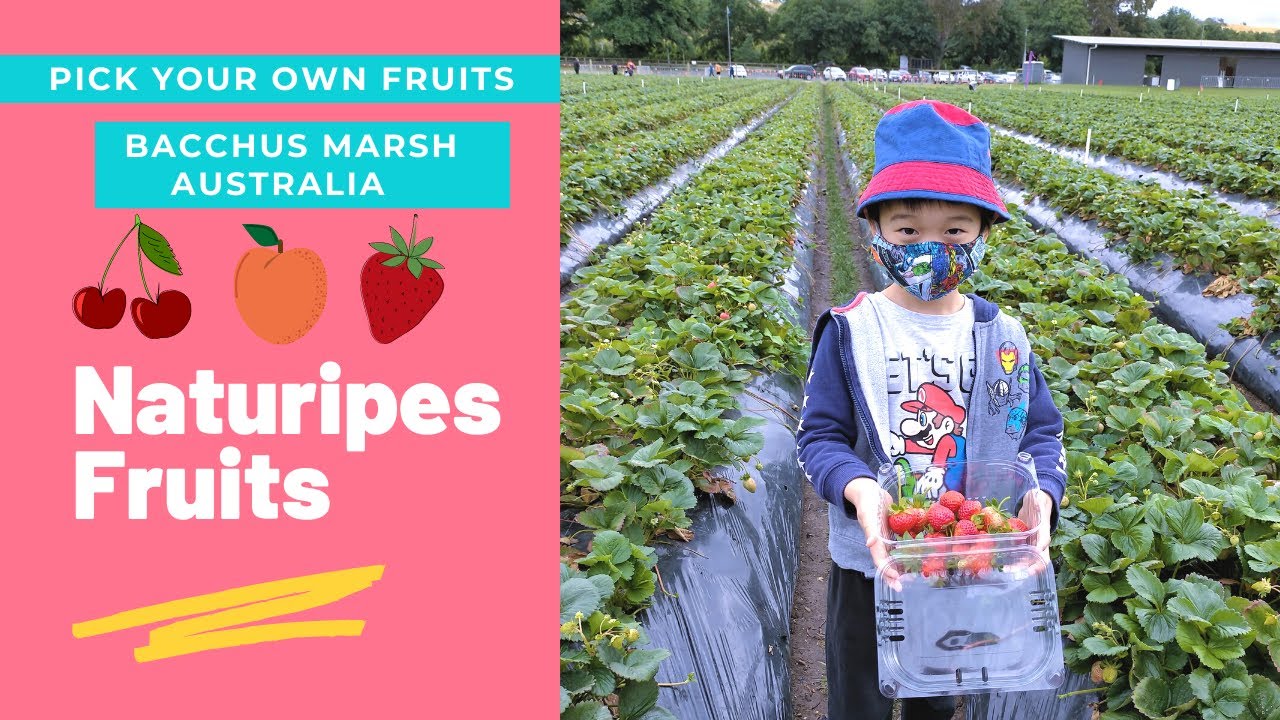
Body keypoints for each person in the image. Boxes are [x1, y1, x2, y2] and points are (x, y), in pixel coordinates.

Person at [794, 99, 1066, 720]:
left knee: (941, 697)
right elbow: (819, 438)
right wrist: (861, 491)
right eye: (908, 230)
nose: (931, 247)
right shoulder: (853, 331)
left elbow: (1042, 434)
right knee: (857, 695)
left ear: (983, 235)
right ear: (876, 229)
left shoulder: (1004, 338)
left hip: (962, 562)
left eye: (955, 230)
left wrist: (1041, 495)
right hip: (871, 562)